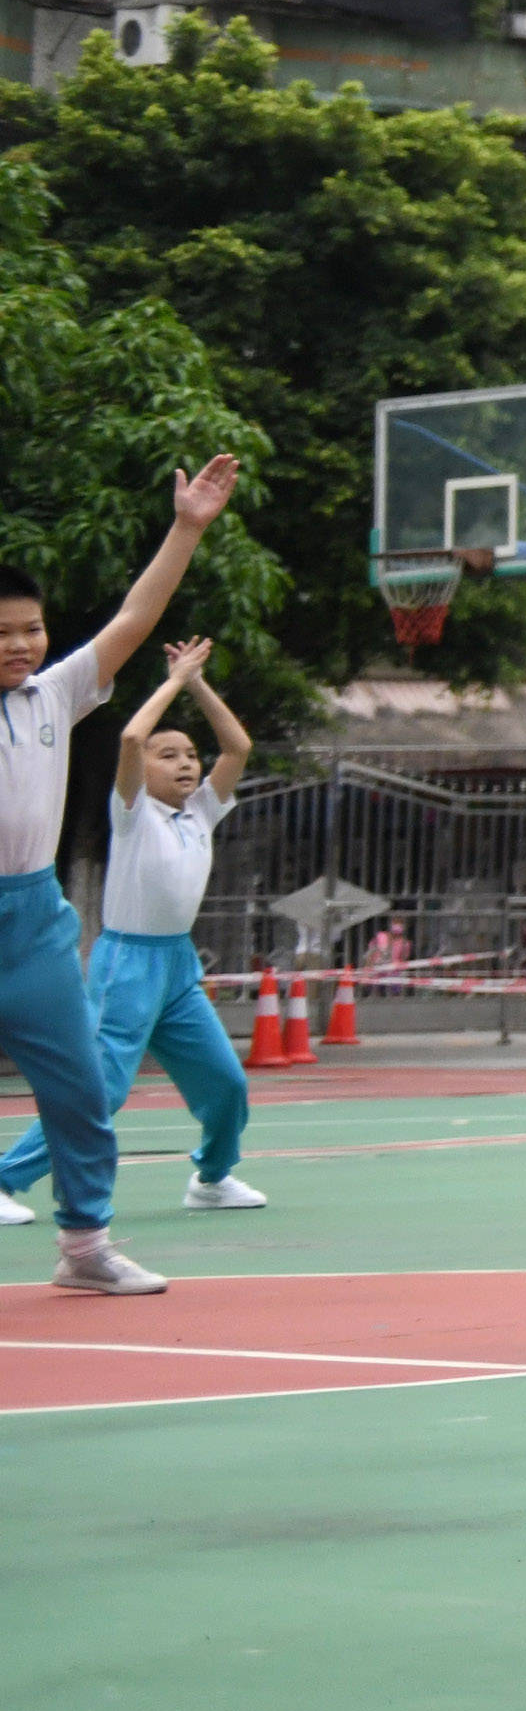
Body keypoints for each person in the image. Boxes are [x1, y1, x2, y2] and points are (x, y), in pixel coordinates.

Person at [0, 458, 241, 1277]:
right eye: (2, 633)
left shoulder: (55, 693)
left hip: (34, 923)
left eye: (29, 628)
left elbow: (137, 618)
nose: (21, 645)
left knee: (79, 1091)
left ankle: (85, 1247)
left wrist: (187, 527)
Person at [11, 637, 263, 1220]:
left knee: (226, 1082)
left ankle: (212, 1177)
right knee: (102, 1091)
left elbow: (239, 745)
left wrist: (198, 684)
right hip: (126, 964)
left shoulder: (200, 812)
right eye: (168, 754)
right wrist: (173, 681)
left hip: (177, 967)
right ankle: (5, 1178)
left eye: (190, 754)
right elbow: (128, 736)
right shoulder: (130, 813)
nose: (185, 763)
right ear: (142, 768)